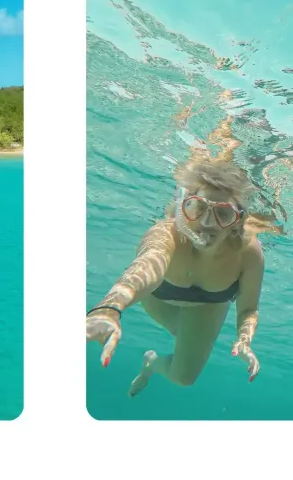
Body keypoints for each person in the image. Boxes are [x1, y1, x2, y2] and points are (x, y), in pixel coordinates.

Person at [86, 155, 266, 396]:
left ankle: (151, 365)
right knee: (185, 337)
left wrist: (245, 340)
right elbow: (144, 268)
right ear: (184, 208)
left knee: (184, 378)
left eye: (223, 213)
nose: (207, 222)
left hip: (207, 309)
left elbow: (249, 309)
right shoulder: (166, 234)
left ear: (237, 221)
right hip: (161, 302)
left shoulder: (248, 251)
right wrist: (109, 309)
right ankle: (180, 338)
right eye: (199, 207)